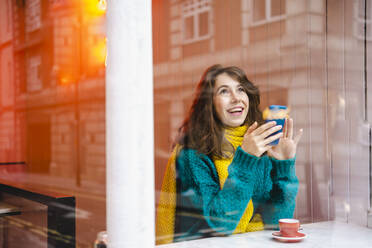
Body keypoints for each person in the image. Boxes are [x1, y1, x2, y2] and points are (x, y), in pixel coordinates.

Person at [156, 65, 303, 244]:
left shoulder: (257, 145)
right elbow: (220, 224)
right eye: (224, 91)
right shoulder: (192, 153)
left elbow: (276, 221)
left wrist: (284, 167)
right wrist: (246, 159)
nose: (236, 98)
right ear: (209, 103)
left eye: (240, 89)